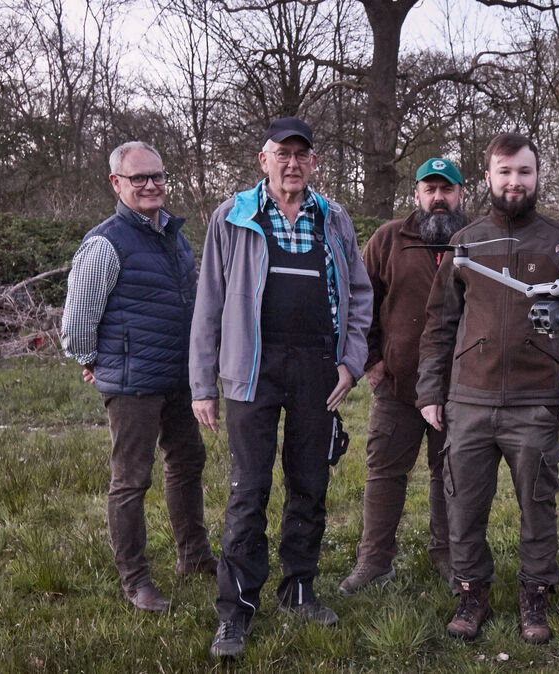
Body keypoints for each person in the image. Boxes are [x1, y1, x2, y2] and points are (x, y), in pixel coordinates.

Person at [190, 117, 372, 659]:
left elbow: (360, 295)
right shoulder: (233, 216)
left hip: (318, 367)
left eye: (301, 155)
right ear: (263, 160)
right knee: (249, 489)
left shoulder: (333, 218)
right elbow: (209, 302)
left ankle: (299, 590)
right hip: (251, 368)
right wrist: (202, 384)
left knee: (310, 482)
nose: (292, 164)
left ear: (313, 162)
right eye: (282, 154)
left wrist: (351, 363)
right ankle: (236, 610)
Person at [416, 132, 559, 644]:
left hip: (535, 403)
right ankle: (471, 591)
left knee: (538, 504)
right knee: (462, 504)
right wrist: (430, 392)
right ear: (488, 177)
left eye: (524, 172)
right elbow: (439, 324)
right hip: (468, 402)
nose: (514, 181)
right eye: (505, 172)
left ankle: (535, 593)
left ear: (537, 176)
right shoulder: (466, 242)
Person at [61, 141, 217, 613]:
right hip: (132, 383)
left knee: (187, 462)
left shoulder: (175, 235)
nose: (151, 185)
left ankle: (194, 556)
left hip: (178, 377)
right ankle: (136, 581)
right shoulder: (105, 243)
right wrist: (93, 361)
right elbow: (76, 324)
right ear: (117, 183)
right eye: (139, 178)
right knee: (131, 481)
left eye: (157, 176)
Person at [338, 157, 470, 595]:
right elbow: (361, 303)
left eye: (446, 189)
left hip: (460, 387)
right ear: (416, 194)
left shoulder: (477, 241)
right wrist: (373, 362)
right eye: (430, 189)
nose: (438, 198)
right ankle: (374, 560)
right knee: (384, 472)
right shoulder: (389, 239)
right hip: (398, 386)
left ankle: (447, 555)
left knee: (450, 474)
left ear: (461, 194)